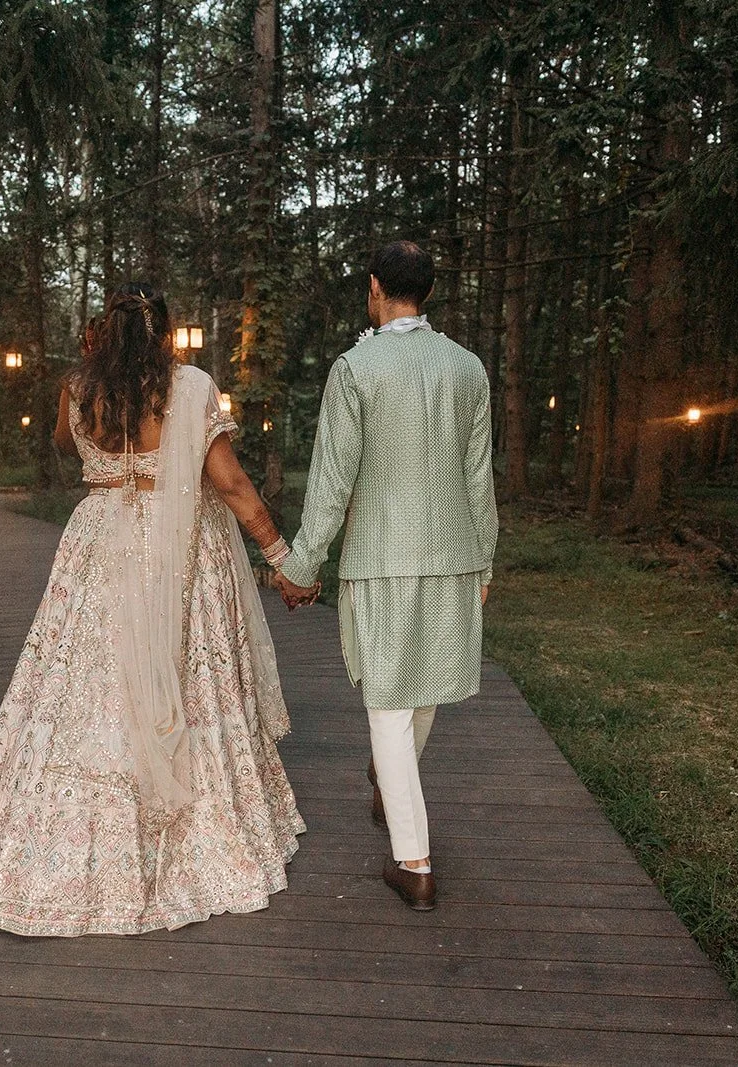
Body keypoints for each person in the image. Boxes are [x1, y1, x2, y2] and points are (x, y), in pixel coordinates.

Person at [0, 283, 305, 936]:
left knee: (83, 676)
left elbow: (60, 442)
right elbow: (231, 484)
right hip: (173, 549)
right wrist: (282, 556)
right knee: (177, 670)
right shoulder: (187, 388)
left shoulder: (80, 388)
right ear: (166, 336)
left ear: (106, 333)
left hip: (98, 537)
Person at [275, 240, 499, 911]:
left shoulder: (356, 368)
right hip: (452, 553)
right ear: (424, 293)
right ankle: (389, 777)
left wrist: (300, 564)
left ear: (374, 288)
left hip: (380, 560)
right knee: (416, 695)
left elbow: (332, 478)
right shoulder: (467, 368)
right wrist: (485, 557)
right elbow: (478, 476)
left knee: (392, 705)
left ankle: (415, 862)